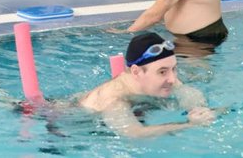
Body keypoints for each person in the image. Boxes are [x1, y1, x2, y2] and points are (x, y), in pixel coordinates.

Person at [79, 32, 216, 137]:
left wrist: (197, 109)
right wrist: (189, 124)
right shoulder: (114, 100)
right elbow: (135, 134)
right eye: (162, 72)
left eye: (173, 69)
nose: (172, 79)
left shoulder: (164, 76)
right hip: (78, 124)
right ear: (136, 72)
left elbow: (186, 91)